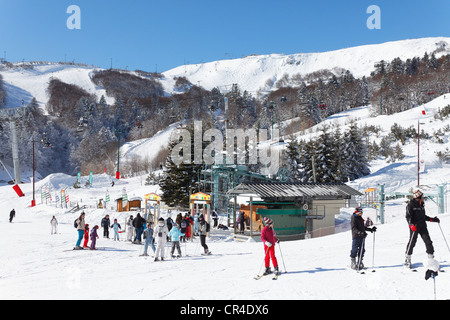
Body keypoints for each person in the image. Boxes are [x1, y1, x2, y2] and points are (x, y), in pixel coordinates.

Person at [404, 190, 440, 268]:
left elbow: (423, 217)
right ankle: (408, 258)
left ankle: (431, 259)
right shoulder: (411, 205)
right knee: (412, 242)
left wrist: (433, 219)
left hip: (422, 225)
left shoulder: (421, 205)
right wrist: (411, 225)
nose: (423, 198)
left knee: (428, 241)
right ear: (418, 197)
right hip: (415, 226)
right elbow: (408, 216)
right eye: (422, 196)